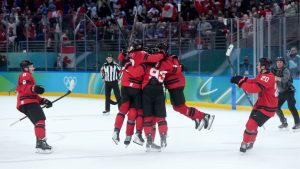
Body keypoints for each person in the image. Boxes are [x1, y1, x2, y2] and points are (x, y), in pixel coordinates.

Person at [112, 40, 165, 146]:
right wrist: (162, 53)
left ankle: (116, 132)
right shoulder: (142, 54)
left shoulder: (128, 54)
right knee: (138, 112)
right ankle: (137, 134)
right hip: (136, 87)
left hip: (125, 85)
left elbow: (120, 59)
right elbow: (154, 58)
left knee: (123, 111)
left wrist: (123, 54)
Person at [230, 58, 278, 153]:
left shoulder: (267, 77)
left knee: (250, 125)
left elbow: (254, 88)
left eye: (259, 64)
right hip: (261, 105)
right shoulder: (263, 75)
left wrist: (241, 83)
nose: (257, 66)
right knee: (252, 125)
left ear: (263, 67)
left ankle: (245, 142)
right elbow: (254, 81)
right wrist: (242, 78)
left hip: (268, 108)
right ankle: (250, 141)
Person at [16, 60, 53, 153]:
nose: (33, 68)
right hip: (28, 102)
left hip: (26, 102)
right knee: (40, 120)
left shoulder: (28, 76)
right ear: (26, 68)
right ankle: (41, 144)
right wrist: (33, 88)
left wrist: (43, 100)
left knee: (38, 123)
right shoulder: (25, 75)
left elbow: (32, 94)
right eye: (31, 66)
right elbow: (26, 89)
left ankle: (39, 143)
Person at [272, 57, 300, 130]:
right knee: (276, 107)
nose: (279, 63)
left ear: (283, 63)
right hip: (281, 92)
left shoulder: (286, 70)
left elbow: (285, 80)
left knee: (291, 107)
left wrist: (276, 78)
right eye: (278, 62)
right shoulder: (274, 70)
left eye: (280, 62)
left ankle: (298, 123)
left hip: (288, 91)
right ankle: (284, 122)